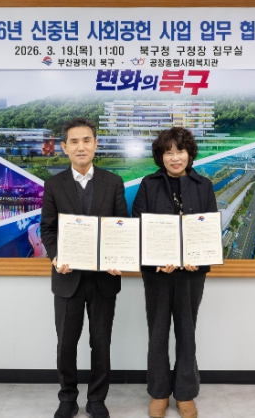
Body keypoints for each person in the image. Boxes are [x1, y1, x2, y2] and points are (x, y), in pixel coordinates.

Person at [40, 118, 129, 418]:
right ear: (64, 147)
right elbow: (47, 229)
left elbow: (121, 226)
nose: (81, 147)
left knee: (100, 343)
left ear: (95, 144)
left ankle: (97, 399)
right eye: (74, 141)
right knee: (66, 343)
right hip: (68, 278)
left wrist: (118, 258)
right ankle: (67, 398)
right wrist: (55, 256)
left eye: (87, 140)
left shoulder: (113, 182)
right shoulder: (54, 184)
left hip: (104, 280)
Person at [132, 127, 217, 418]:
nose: (175, 157)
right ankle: (159, 393)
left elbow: (209, 228)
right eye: (168, 152)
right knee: (157, 332)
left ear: (189, 154)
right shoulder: (148, 184)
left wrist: (199, 257)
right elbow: (138, 224)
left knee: (186, 332)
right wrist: (156, 258)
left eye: (180, 151)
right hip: (157, 272)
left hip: (192, 273)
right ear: (161, 156)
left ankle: (185, 393)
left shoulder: (204, 185)